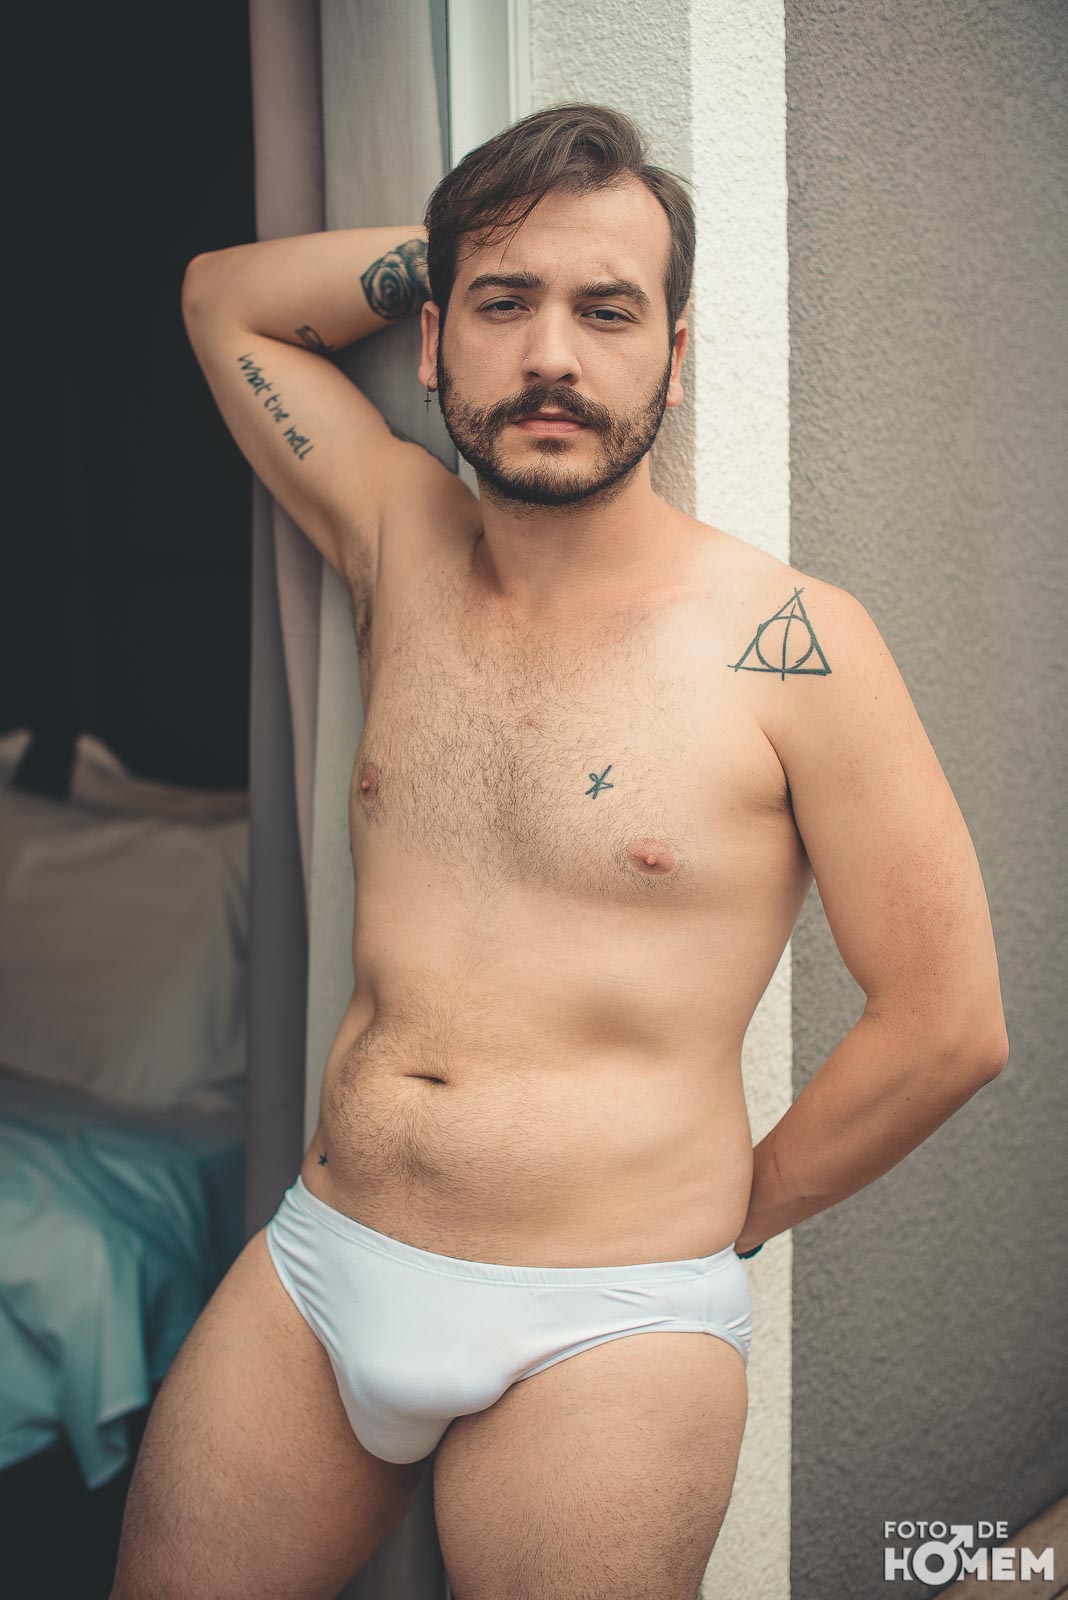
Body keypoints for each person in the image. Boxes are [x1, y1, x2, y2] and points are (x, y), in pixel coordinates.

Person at [111, 103, 1008, 1600]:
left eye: (607, 311)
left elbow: (948, 1019)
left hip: (610, 1322)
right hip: (326, 1265)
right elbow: (225, 299)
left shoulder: (793, 645)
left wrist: (730, 1219)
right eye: (503, 304)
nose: (550, 358)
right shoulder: (399, 542)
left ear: (674, 355)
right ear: (434, 337)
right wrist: (456, 248)